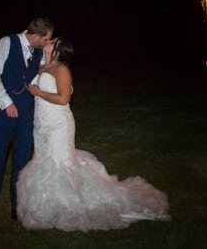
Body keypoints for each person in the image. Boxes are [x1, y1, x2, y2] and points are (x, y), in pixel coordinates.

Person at [16, 37, 171, 231]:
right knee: (43, 160)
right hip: (41, 124)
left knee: (59, 162)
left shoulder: (61, 70)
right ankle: (46, 206)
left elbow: (64, 98)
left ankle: (67, 206)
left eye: (53, 41)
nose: (49, 40)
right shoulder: (43, 66)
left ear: (57, 50)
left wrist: (39, 93)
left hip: (58, 124)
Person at [0, 17, 55, 230]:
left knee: (22, 165)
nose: (48, 42)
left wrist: (49, 55)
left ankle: (18, 209)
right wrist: (6, 102)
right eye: (46, 39)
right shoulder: (7, 43)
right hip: (7, 115)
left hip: (27, 117)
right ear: (34, 36)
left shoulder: (41, 50)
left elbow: (47, 74)